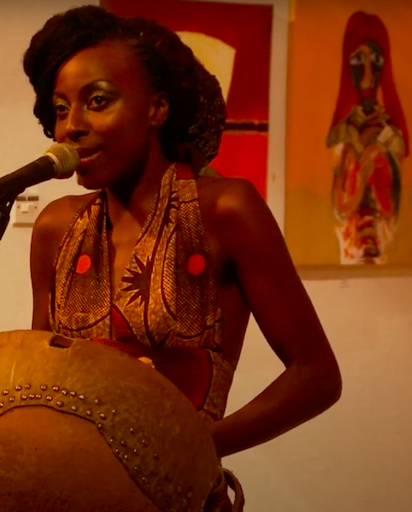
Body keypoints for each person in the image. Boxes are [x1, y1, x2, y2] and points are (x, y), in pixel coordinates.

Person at [26, 3, 341, 486]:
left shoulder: (225, 211)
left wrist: (193, 446)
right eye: (62, 108)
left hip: (177, 491)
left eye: (98, 100)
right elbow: (40, 379)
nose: (71, 127)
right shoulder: (56, 227)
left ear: (158, 107)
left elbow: (316, 376)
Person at [327, 11, 407, 264]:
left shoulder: (392, 135)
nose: (368, 76)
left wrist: (376, 149)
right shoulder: (340, 136)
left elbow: (391, 203)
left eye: (376, 61)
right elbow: (340, 206)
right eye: (358, 61)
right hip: (349, 241)